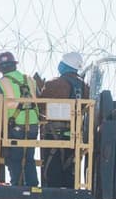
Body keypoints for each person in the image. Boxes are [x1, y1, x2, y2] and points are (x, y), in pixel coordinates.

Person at [39, 51, 91, 188]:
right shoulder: (85, 88)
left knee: (52, 171)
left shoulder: (54, 84)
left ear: (64, 65)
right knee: (70, 170)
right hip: (75, 135)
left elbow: (39, 105)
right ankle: (69, 196)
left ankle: (54, 198)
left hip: (54, 134)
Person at [0, 50, 40, 187]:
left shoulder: (0, 84)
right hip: (33, 124)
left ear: (0, 68)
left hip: (15, 125)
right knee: (29, 157)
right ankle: (32, 185)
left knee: (14, 158)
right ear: (14, 65)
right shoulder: (30, 80)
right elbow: (39, 97)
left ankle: (17, 185)